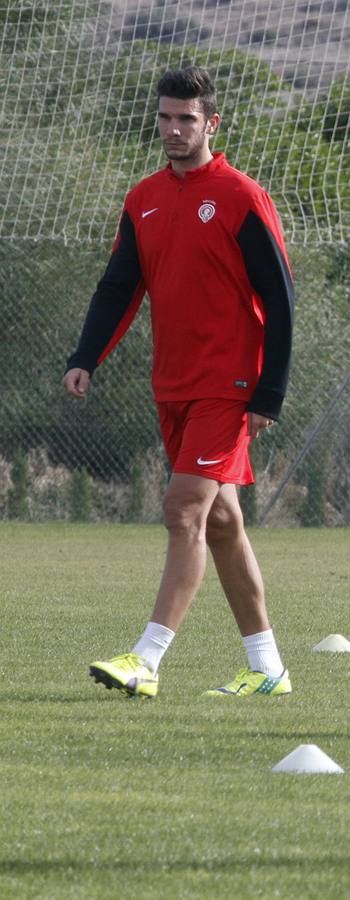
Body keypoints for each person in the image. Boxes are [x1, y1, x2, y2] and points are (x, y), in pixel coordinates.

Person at [64, 66, 295, 699]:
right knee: (221, 522)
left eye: (186, 119)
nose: (173, 128)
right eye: (165, 117)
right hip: (172, 383)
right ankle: (268, 667)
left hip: (231, 383)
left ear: (210, 123)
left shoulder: (243, 195)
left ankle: (147, 659)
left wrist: (268, 393)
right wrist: (86, 355)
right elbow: (119, 286)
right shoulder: (143, 198)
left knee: (182, 509)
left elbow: (279, 296)